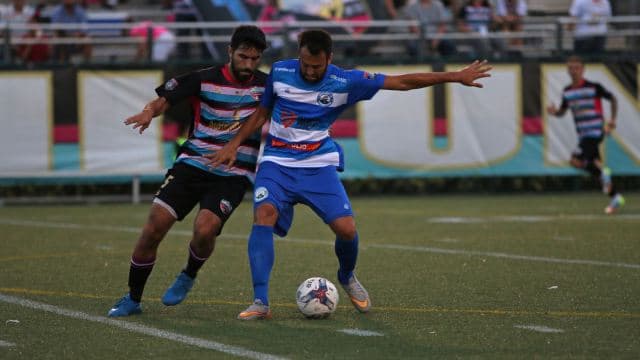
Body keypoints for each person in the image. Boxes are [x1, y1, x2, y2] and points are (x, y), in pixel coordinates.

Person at [208, 29, 491, 320]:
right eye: (305, 63)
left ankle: (347, 276)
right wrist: (233, 144)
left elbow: (402, 81)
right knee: (263, 215)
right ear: (299, 56)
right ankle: (261, 301)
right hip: (277, 163)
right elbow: (261, 113)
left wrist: (454, 76)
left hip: (318, 164)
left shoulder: (348, 81)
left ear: (330, 59)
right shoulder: (280, 72)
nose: (309, 70)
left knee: (347, 230)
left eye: (316, 66)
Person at [107, 25, 268, 317]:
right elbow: (164, 99)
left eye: (255, 59)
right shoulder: (203, 78)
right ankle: (133, 298)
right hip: (192, 165)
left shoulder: (267, 87)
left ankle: (189, 274)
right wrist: (149, 111)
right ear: (230, 51)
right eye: (243, 56)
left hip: (233, 174)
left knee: (205, 230)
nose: (249, 64)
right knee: (153, 228)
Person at [546, 55, 624, 214]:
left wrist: (613, 120)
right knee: (594, 166)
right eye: (570, 68)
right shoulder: (567, 91)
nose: (573, 71)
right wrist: (555, 112)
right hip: (583, 134)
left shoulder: (593, 87)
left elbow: (613, 99)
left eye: (576, 68)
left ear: (582, 69)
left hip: (595, 131)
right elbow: (563, 111)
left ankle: (604, 175)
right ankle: (615, 197)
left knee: (575, 160)